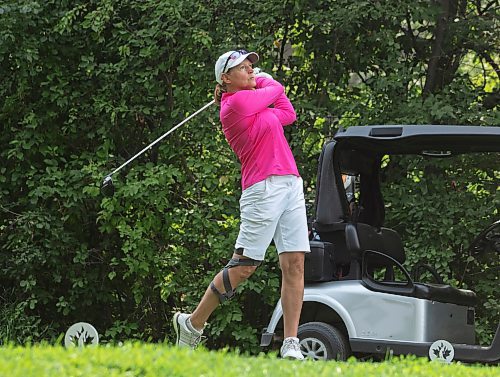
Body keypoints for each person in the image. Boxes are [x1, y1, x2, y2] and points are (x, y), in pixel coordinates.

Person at [173, 49, 310, 360]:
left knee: (295, 263)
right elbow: (276, 92)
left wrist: (265, 84)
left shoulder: (255, 105)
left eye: (252, 67)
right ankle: (192, 324)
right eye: (244, 68)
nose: (251, 71)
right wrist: (267, 81)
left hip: (290, 183)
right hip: (261, 188)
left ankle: (291, 342)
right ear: (226, 78)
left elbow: (288, 113)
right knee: (244, 266)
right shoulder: (233, 105)